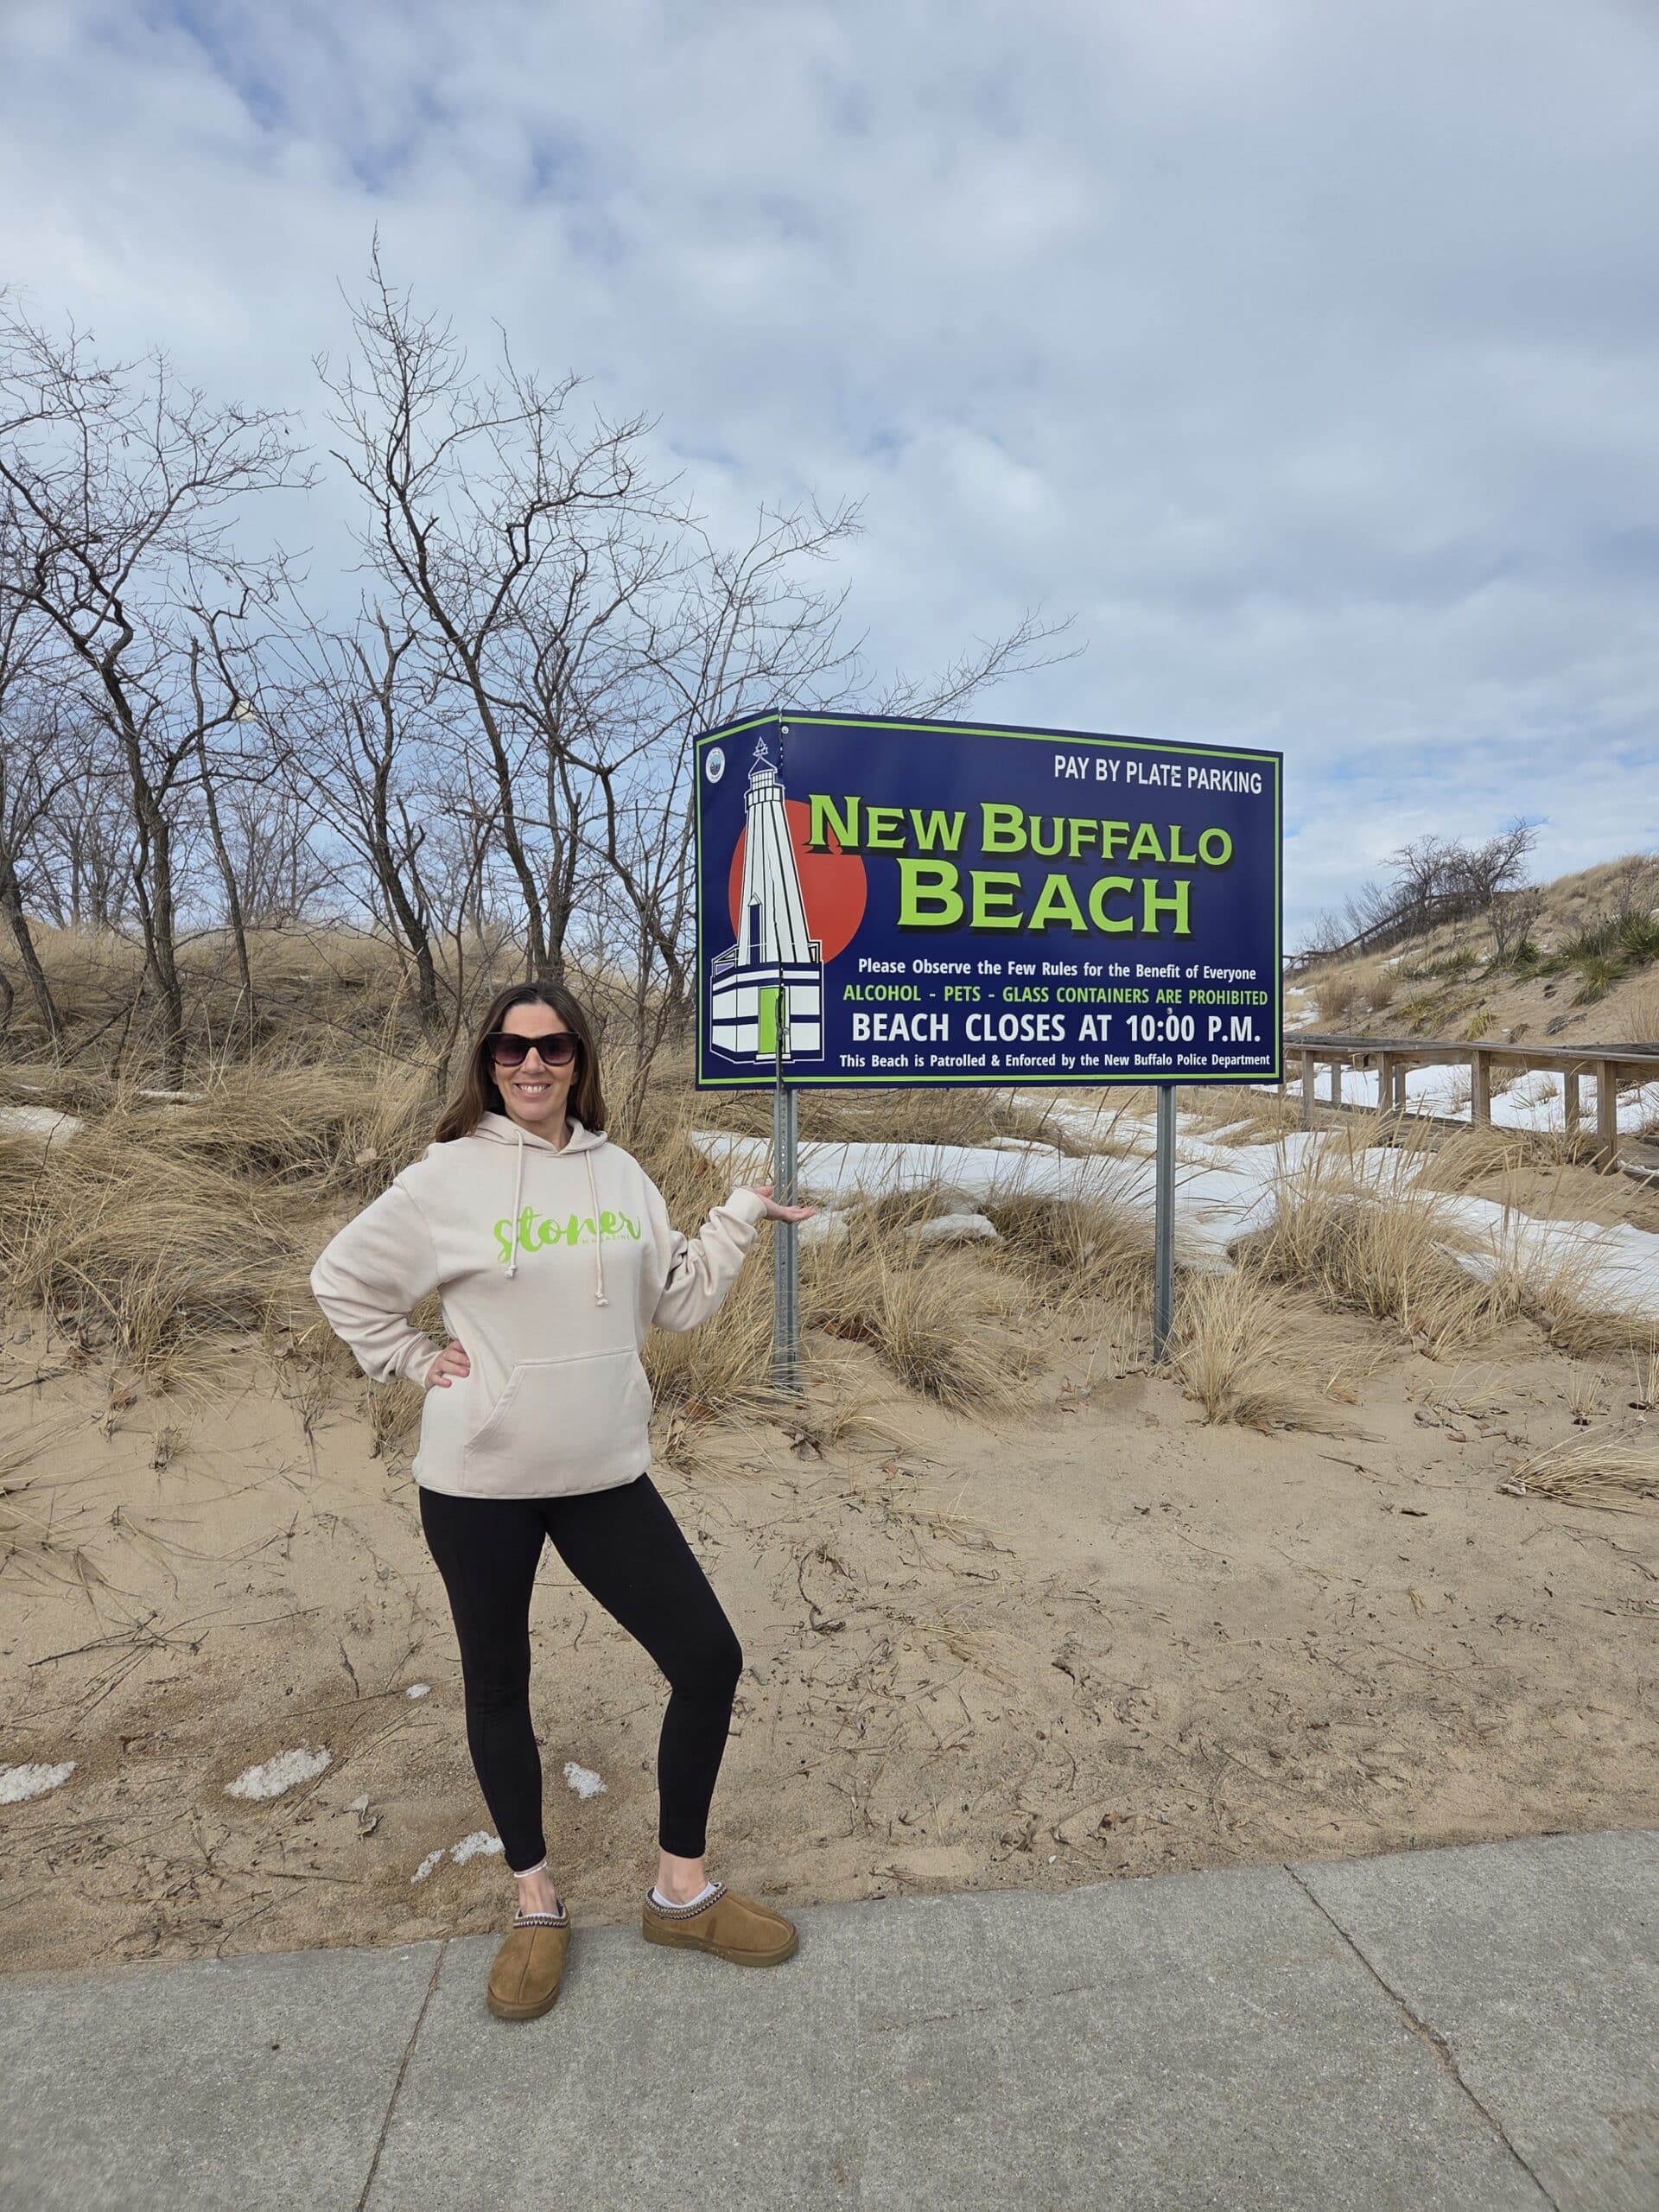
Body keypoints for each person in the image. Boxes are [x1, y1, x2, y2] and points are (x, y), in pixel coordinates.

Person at [308, 980, 815, 2021]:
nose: (530, 1066)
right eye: (509, 1048)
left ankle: (681, 1891)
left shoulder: (619, 1172)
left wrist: (738, 1216)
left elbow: (672, 1299)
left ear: (581, 1060)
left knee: (708, 1659)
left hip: (603, 1477)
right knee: (500, 1687)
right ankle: (535, 1902)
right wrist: (409, 1357)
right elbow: (342, 1277)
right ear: (486, 1062)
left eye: (552, 1048)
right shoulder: (445, 1178)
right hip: (480, 1484)